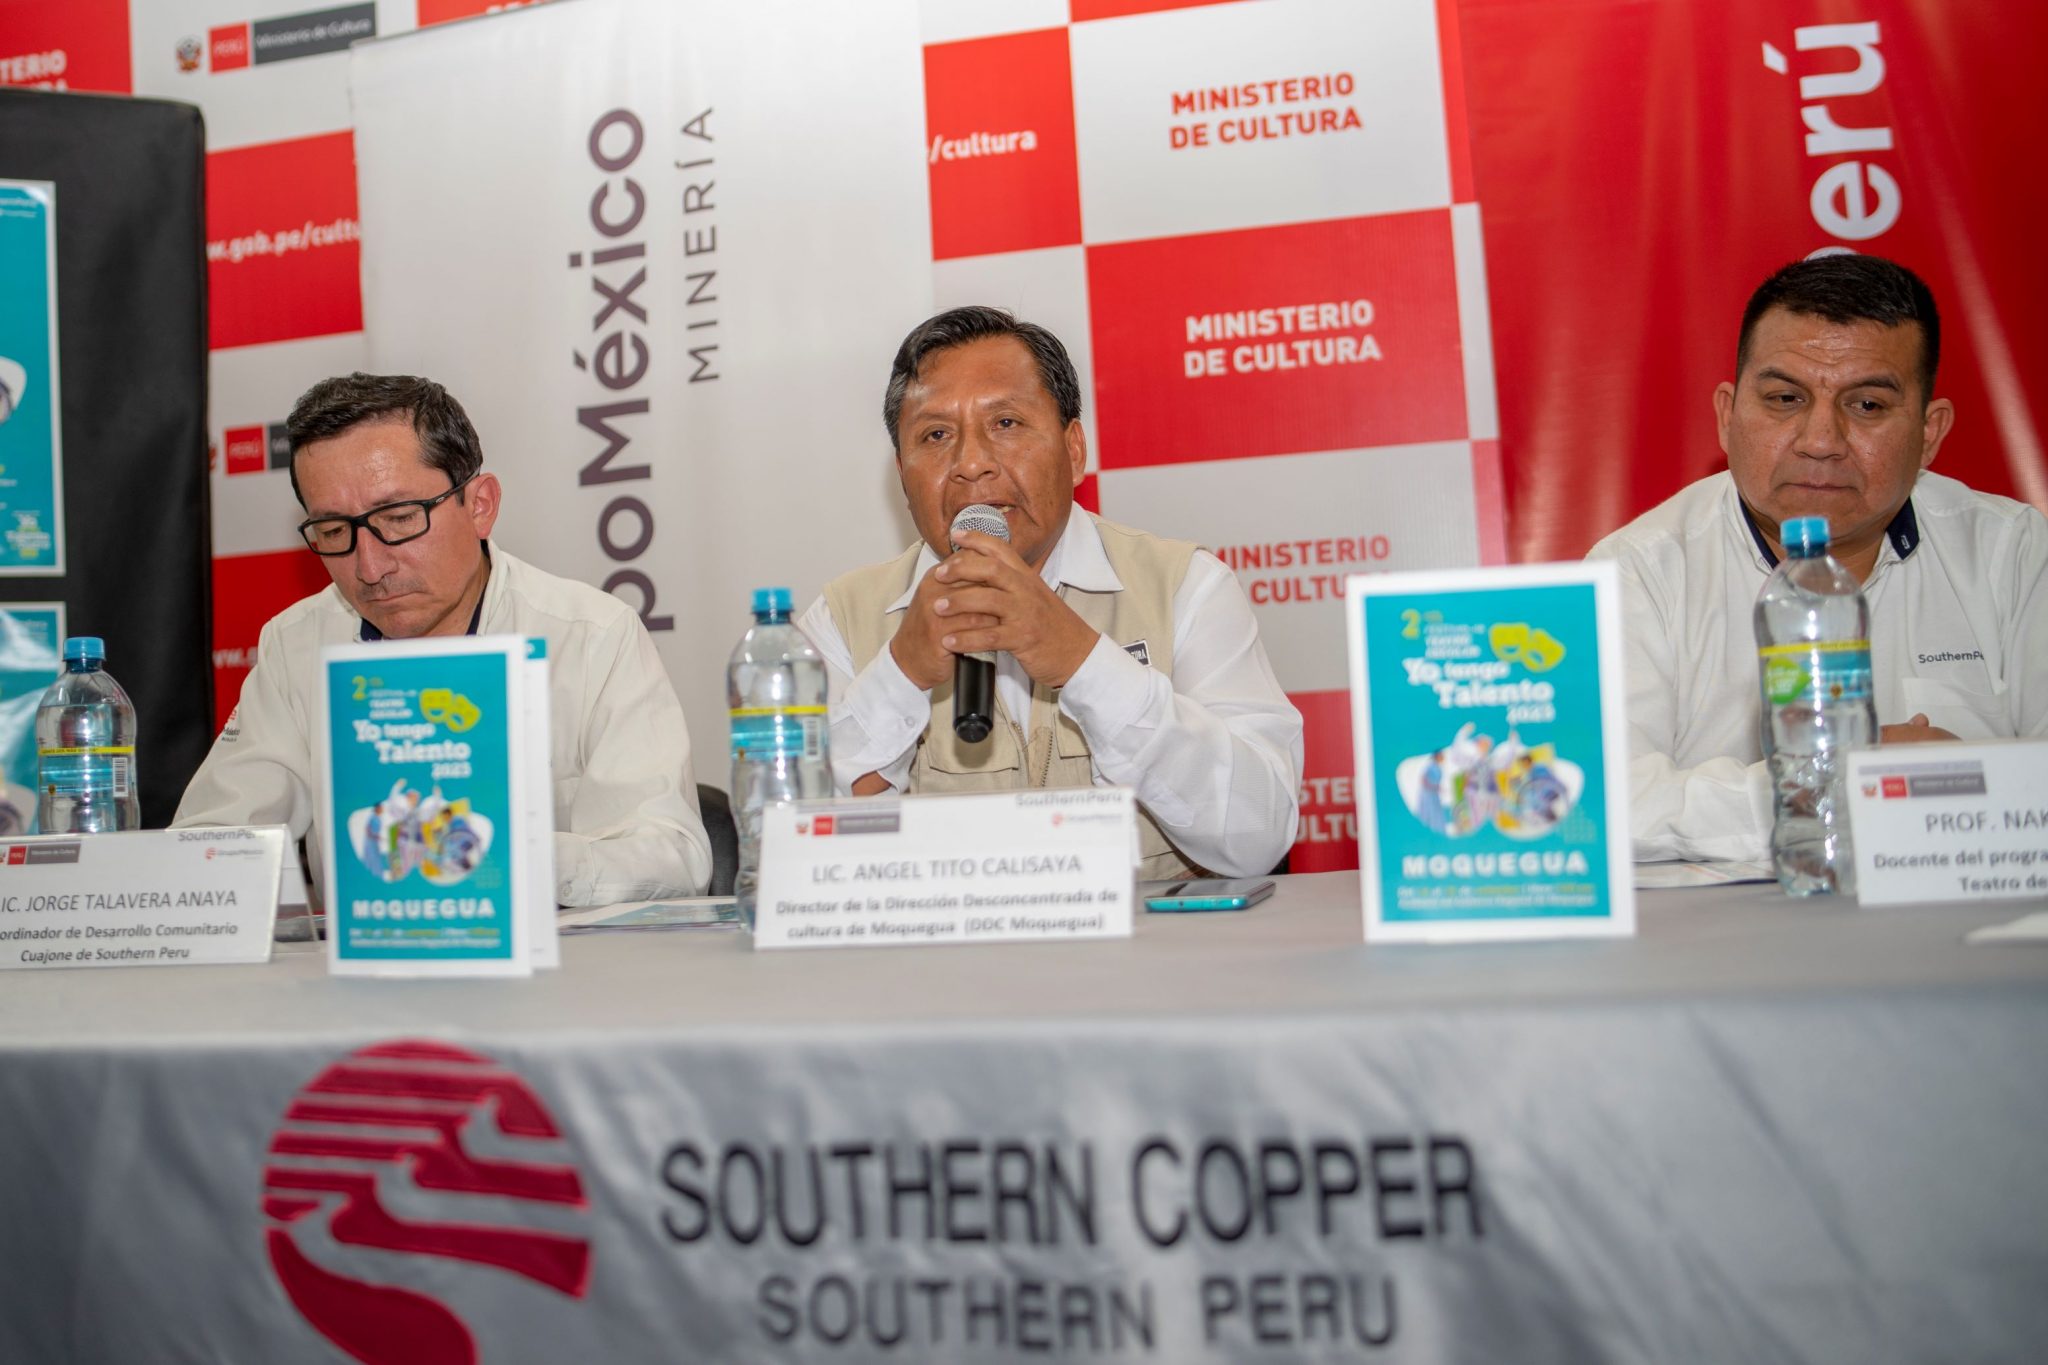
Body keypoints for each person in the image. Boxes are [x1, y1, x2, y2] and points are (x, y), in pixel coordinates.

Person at [798, 307, 1303, 879]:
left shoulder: (1186, 586)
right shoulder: (841, 620)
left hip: (1146, 939)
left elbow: (1258, 835)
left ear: (1074, 449)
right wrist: (901, 674)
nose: (971, 464)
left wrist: (1083, 661)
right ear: (901, 473)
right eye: (936, 435)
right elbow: (791, 859)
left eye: (1005, 423)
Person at [174, 373, 712, 904]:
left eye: (399, 518)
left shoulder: (592, 636)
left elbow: (673, 858)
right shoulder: (296, 646)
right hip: (369, 960)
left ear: (480, 505)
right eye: (334, 531)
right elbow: (210, 843)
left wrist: (505, 857)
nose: (370, 567)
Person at [1588, 255, 2048, 862]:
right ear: (1727, 416)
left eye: (1867, 406)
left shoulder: (2015, 554)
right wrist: (1841, 784)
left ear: (1929, 433)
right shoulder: (1637, 573)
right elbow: (1603, 805)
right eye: (1785, 398)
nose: (1821, 442)